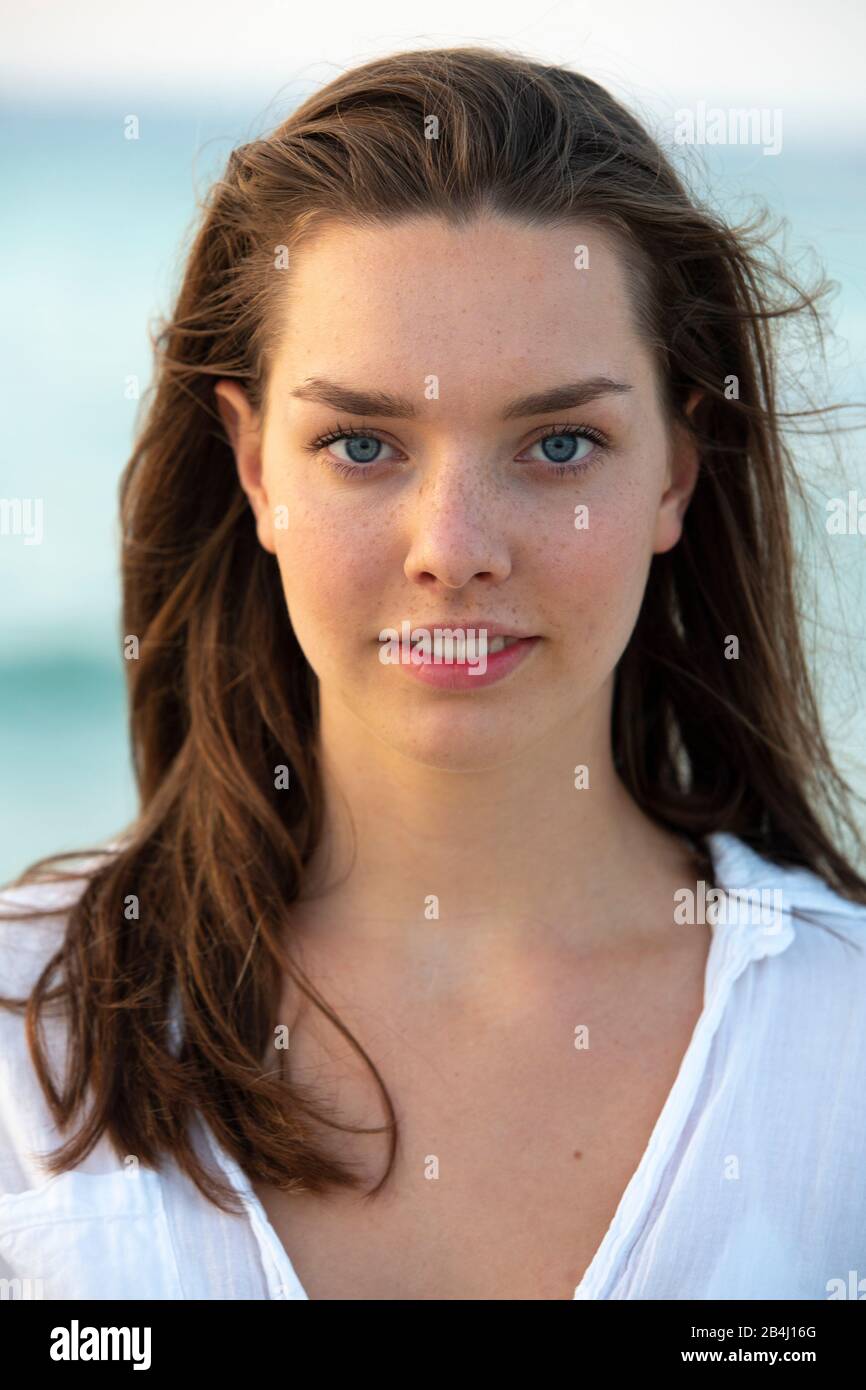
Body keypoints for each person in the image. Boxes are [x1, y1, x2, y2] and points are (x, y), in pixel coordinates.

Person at [2, 45, 865, 1302]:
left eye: (558, 443)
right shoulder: (32, 1029)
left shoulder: (839, 1040)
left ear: (674, 472)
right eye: (360, 444)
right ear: (254, 469)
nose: (453, 549)